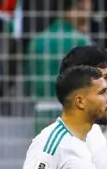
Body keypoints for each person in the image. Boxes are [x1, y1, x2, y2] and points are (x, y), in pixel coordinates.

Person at [25, 0, 93, 131]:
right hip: (74, 111)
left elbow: (28, 83)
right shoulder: (82, 41)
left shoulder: (37, 42)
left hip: (42, 109)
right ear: (72, 9)